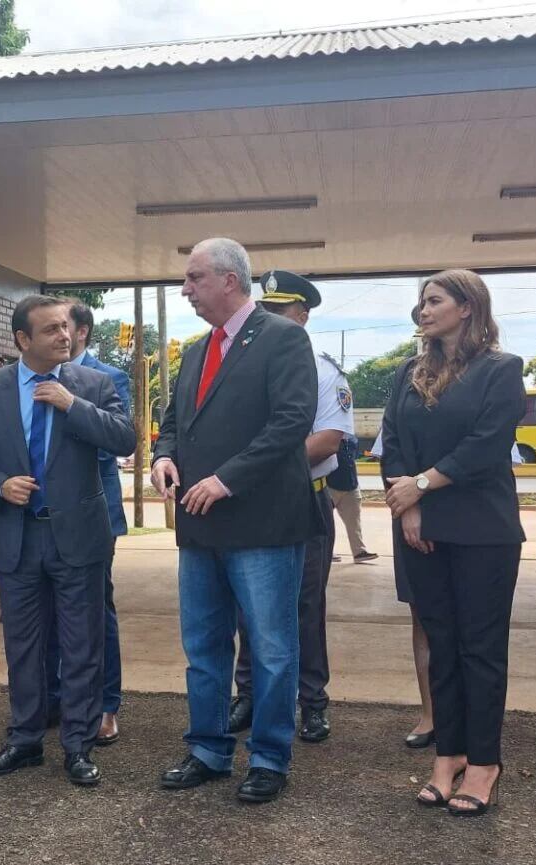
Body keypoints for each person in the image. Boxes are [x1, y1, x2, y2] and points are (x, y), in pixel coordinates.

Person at [152, 238, 319, 805]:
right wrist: (163, 456)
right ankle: (208, 749)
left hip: (261, 523)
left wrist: (227, 478)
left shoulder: (283, 338)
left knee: (272, 650)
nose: (185, 289)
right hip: (200, 528)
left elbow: (291, 421)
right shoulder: (197, 351)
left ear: (229, 280)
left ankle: (269, 757)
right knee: (203, 646)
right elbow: (172, 421)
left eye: (194, 277)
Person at [0, 294, 135, 786]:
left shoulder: (94, 382)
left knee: (82, 644)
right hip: (17, 537)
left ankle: (77, 744)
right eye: (51, 330)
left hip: (77, 537)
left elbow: (124, 439)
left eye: (66, 328)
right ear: (22, 339)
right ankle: (26, 739)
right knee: (25, 645)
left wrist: (72, 404)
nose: (65, 336)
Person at [382, 269, 525, 816]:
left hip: (483, 529)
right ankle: (450, 754)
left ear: (467, 308)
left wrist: (423, 484)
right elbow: (391, 440)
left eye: (434, 300)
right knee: (441, 644)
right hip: (420, 527)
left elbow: (488, 444)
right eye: (420, 301)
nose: (423, 309)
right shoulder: (406, 371)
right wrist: (410, 506)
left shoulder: (501, 369)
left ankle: (485, 763)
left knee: (480, 648)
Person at [227, 271, 354, 744]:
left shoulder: (323, 370)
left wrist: (254, 466)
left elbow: (327, 441)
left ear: (301, 316)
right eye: (265, 311)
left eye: (279, 312)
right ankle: (249, 695)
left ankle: (312, 702)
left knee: (303, 606)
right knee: (247, 605)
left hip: (303, 501)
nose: (268, 319)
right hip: (248, 503)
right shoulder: (241, 364)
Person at [54, 299, 132, 745]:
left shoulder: (107, 378)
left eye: (60, 325)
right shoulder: (31, 376)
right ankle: (54, 698)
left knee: (95, 610)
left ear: (80, 332)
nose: (55, 333)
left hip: (91, 511)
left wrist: (70, 407)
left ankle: (105, 704)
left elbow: (115, 442)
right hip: (41, 512)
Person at [326, 434, 378, 564]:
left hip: (351, 485)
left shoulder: (353, 440)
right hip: (330, 485)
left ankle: (359, 552)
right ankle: (327, 551)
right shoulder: (327, 438)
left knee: (354, 522)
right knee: (326, 522)